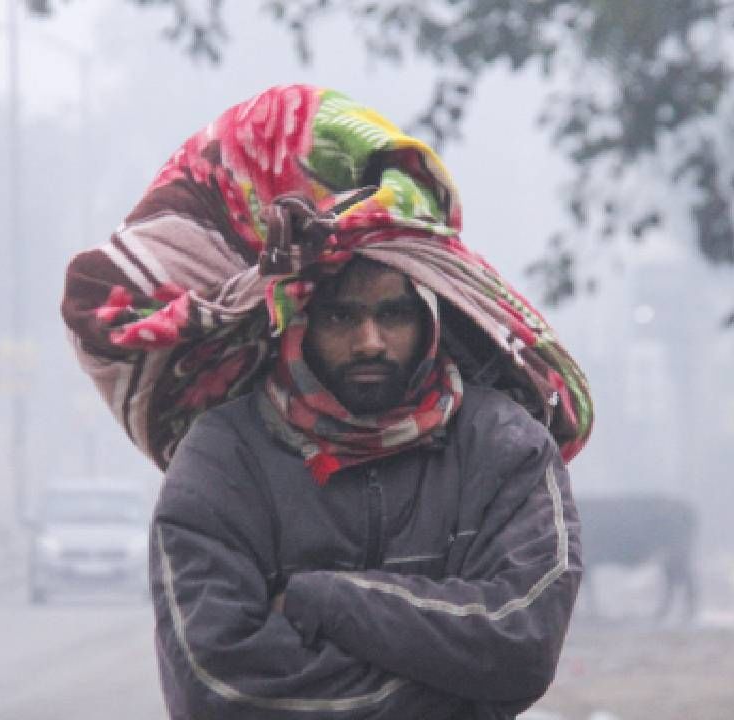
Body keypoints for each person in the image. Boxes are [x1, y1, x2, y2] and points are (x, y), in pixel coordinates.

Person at [60, 85, 593, 718]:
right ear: (298, 322)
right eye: (341, 316)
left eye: (392, 314)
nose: (370, 340)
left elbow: (523, 643)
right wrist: (455, 693)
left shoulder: (504, 445)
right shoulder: (224, 459)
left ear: (431, 320)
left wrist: (324, 599)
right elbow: (216, 686)